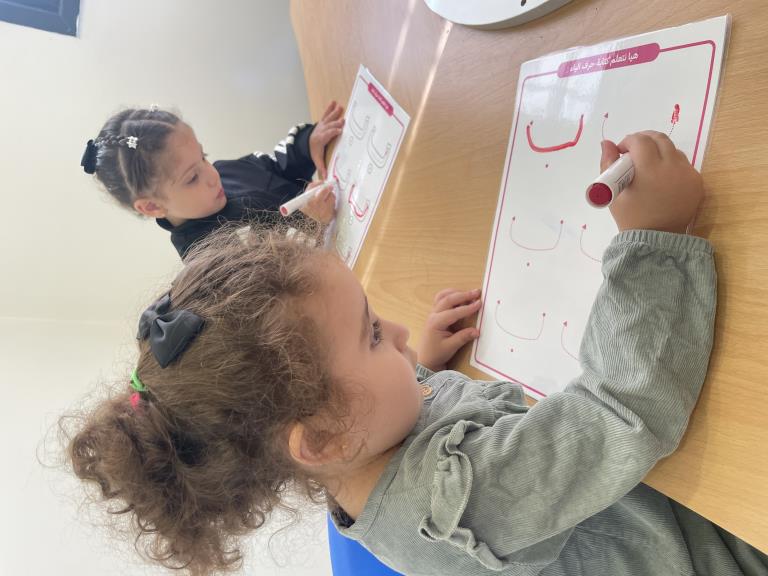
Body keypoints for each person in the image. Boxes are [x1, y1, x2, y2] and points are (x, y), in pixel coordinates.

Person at [65, 132, 768, 575]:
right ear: (324, 437)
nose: (398, 333)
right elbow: (622, 412)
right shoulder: (456, 502)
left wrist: (416, 365)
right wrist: (656, 239)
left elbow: (380, 404)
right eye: (374, 334)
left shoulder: (348, 445)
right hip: (715, 535)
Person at [80, 102, 342, 258]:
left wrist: (306, 144)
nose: (212, 175)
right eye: (192, 177)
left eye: (203, 157)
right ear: (152, 206)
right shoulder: (208, 257)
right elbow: (285, 284)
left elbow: (274, 166)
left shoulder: (222, 173)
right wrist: (311, 223)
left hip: (347, 214)